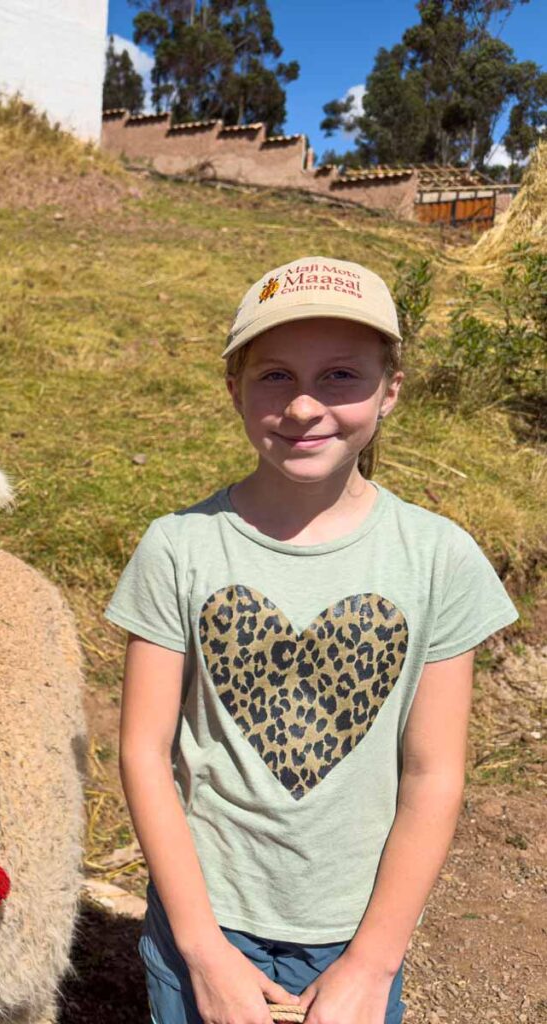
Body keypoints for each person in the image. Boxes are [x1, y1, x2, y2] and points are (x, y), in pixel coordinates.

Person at [104, 256, 518, 1024]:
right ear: (233, 389)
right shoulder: (177, 548)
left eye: (338, 377)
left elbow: (432, 775)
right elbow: (142, 752)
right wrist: (200, 950)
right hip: (205, 919)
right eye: (273, 377)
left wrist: (372, 962)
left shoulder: (437, 558)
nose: (302, 407)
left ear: (389, 390)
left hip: (355, 930)